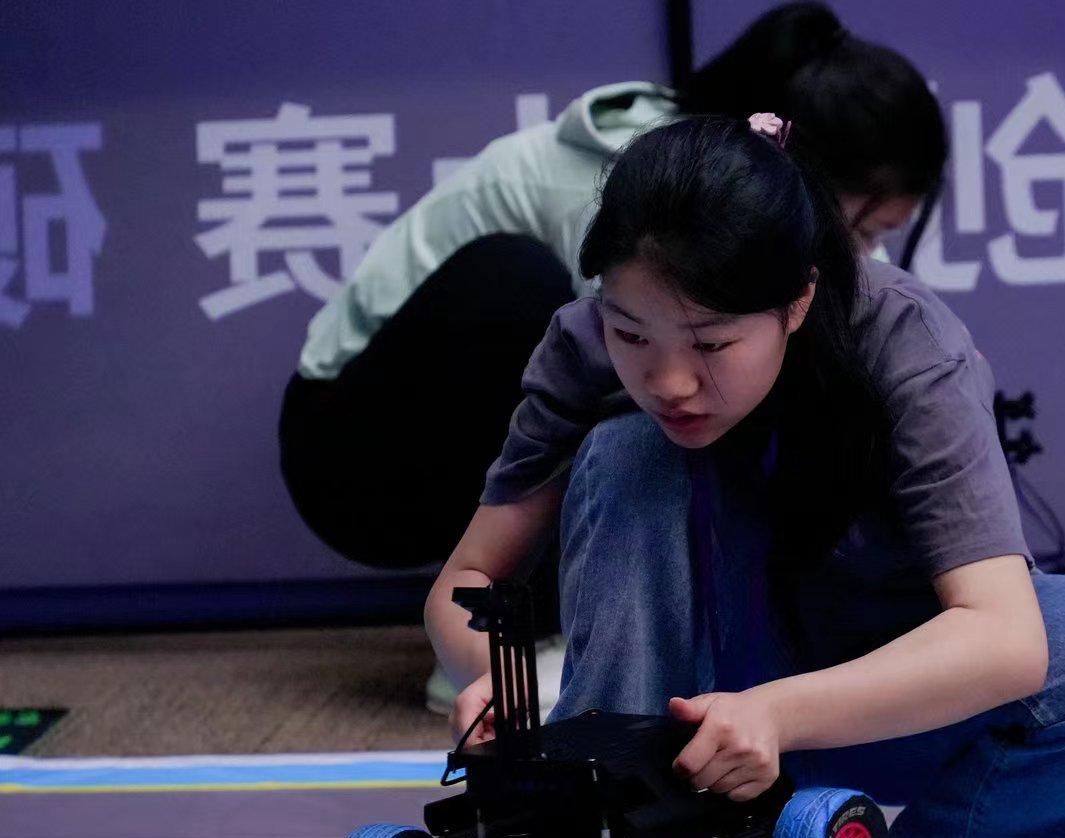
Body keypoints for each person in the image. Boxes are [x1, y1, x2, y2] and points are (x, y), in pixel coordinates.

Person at [424, 113, 1065, 838]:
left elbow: (1003, 637)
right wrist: (494, 686)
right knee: (630, 452)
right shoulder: (584, 347)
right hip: (683, 722)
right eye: (633, 335)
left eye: (713, 342)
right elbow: (468, 580)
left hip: (873, 684)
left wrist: (776, 713)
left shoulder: (904, 342)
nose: (670, 380)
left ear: (797, 302)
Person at [278, 2, 941, 578]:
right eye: (863, 230)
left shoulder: (736, 193)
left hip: (436, 435)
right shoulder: (649, 197)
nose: (863, 256)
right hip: (359, 452)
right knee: (634, 389)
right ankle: (513, 625)